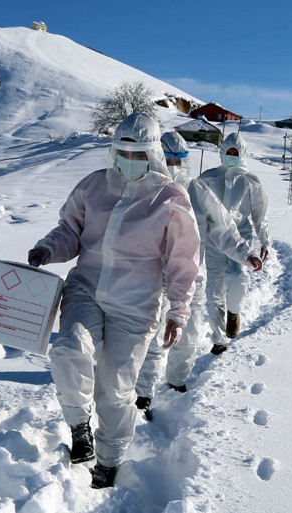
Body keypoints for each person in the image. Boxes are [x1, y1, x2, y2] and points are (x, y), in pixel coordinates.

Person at [27, 113, 200, 488]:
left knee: (116, 390)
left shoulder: (170, 198)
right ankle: (78, 425)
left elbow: (184, 259)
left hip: (136, 305)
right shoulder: (93, 187)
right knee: (70, 350)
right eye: (123, 152)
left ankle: (109, 459)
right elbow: (69, 230)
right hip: (85, 288)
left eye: (138, 154)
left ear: (153, 154)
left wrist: (179, 310)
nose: (129, 160)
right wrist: (47, 249)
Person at [134, 132, 262, 419]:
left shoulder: (198, 191)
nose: (174, 166)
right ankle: (143, 394)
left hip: (191, 279)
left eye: (180, 160)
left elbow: (224, 230)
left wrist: (246, 253)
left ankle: (177, 381)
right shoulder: (142, 191)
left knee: (188, 337)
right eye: (168, 160)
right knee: (153, 338)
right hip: (151, 278)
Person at [198, 132, 271, 355]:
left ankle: (234, 311)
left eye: (235, 153)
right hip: (213, 240)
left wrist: (265, 239)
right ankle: (219, 338)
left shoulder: (251, 182)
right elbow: (197, 209)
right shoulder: (208, 178)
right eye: (228, 152)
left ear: (242, 154)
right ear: (221, 153)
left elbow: (260, 214)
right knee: (213, 291)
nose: (231, 156)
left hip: (242, 239)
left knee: (238, 276)